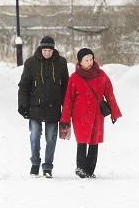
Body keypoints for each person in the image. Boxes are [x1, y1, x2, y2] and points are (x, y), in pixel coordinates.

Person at [59, 47, 121, 179]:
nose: (90, 62)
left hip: (97, 114)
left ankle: (90, 170)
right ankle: (81, 168)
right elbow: (68, 100)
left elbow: (109, 94)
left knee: (94, 142)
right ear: (80, 62)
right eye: (86, 60)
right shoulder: (74, 78)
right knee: (82, 141)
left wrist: (114, 113)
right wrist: (65, 119)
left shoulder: (101, 75)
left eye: (91, 59)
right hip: (80, 114)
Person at [17, 36, 69, 178]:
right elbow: (24, 85)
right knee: (34, 136)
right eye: (45, 50)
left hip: (53, 107)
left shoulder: (61, 63)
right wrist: (22, 104)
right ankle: (35, 164)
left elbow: (66, 87)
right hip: (35, 106)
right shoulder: (31, 63)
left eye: (49, 50)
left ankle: (47, 167)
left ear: (53, 50)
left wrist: (67, 108)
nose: (47, 53)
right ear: (41, 49)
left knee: (51, 138)